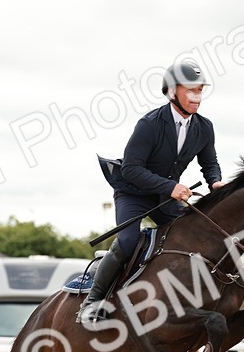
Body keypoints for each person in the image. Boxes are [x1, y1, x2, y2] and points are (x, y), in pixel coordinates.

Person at [79, 59, 225, 323]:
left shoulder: (204, 127)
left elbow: (210, 163)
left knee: (194, 238)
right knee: (127, 242)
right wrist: (171, 187)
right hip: (133, 194)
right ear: (172, 92)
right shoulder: (150, 124)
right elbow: (132, 169)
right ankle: (92, 302)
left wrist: (216, 182)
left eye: (200, 90)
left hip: (165, 198)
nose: (196, 96)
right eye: (190, 90)